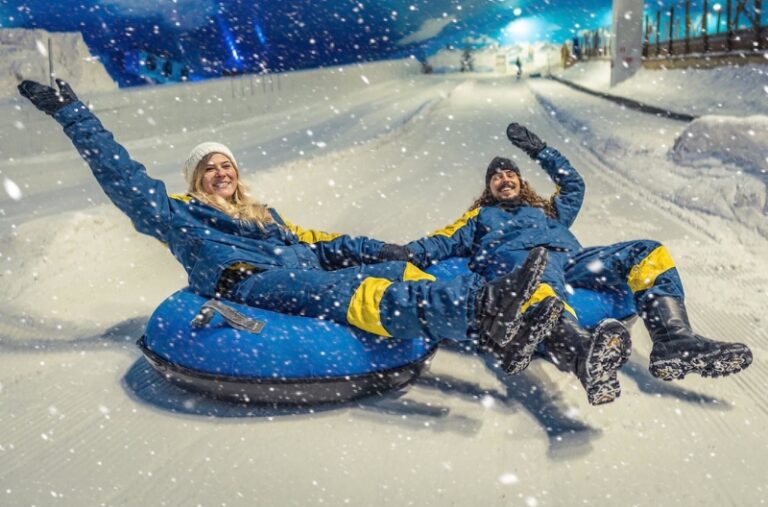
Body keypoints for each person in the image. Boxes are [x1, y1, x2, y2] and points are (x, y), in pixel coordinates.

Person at [17, 79, 557, 375]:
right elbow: (126, 179)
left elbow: (320, 243)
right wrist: (75, 116)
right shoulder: (178, 216)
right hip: (248, 283)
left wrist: (379, 247)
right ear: (196, 181)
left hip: (290, 268)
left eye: (226, 164)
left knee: (390, 267)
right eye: (210, 168)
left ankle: (512, 320)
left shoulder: (262, 215)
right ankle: (481, 311)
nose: (221, 172)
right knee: (347, 288)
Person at [398, 123, 753, 395]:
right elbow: (438, 243)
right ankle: (581, 353)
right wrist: (397, 255)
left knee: (647, 251)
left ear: (521, 182)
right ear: (488, 188)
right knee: (537, 280)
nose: (504, 179)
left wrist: (540, 150)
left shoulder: (545, 210)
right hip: (523, 266)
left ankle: (673, 340)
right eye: (496, 177)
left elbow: (573, 186)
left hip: (575, 262)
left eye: (510, 174)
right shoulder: (479, 218)